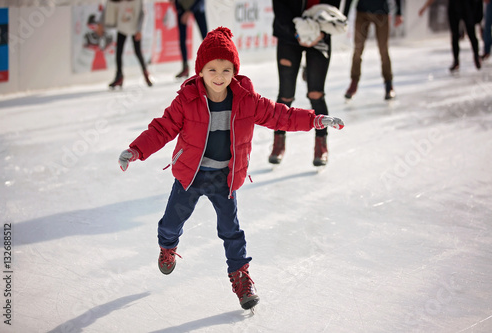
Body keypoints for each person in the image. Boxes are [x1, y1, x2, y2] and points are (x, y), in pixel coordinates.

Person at [117, 27, 344, 311]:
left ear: (234, 71)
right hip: (191, 176)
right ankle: (167, 248)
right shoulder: (186, 100)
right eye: (212, 69)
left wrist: (315, 120)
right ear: (200, 70)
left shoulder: (246, 99)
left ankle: (241, 276)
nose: (219, 76)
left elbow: (279, 115)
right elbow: (162, 128)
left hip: (225, 178)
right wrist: (136, 150)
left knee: (231, 231)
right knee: (171, 223)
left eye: (226, 69)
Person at [269, 0, 344, 167]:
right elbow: (280, 7)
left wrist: (321, 34)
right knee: (286, 95)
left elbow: (333, 8)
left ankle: (321, 146)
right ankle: (278, 143)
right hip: (288, 36)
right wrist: (296, 34)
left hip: (320, 36)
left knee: (316, 93)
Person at [343, 0, 403, 101]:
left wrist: (399, 13)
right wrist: (344, 16)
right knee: (358, 50)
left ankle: (389, 85)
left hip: (381, 12)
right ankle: (353, 83)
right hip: (362, 12)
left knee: (383, 50)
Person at [97, 0, 152, 89]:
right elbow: (108, 7)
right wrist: (100, 23)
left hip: (135, 28)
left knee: (138, 51)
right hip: (122, 26)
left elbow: (143, 14)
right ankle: (119, 76)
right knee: (119, 52)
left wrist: (140, 30)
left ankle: (146, 73)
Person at [419, 0, 481, 71]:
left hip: (466, 5)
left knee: (471, 33)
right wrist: (424, 7)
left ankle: (476, 55)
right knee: (454, 35)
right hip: (454, 6)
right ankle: (456, 61)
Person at [171, 0, 208, 78]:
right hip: (182, 6)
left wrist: (189, 11)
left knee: (206, 38)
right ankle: (185, 67)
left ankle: (211, 64)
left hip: (197, 6)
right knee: (182, 38)